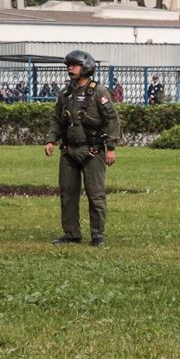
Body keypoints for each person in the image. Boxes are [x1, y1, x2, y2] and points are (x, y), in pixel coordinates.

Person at [43, 49, 119, 246]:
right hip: (68, 151)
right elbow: (56, 119)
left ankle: (98, 236)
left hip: (93, 151)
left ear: (85, 68)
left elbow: (112, 119)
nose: (70, 68)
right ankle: (71, 234)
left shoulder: (99, 92)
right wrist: (51, 139)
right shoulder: (65, 93)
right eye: (68, 65)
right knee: (67, 194)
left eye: (74, 65)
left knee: (96, 195)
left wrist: (110, 147)